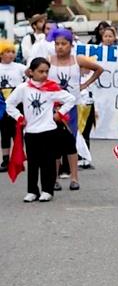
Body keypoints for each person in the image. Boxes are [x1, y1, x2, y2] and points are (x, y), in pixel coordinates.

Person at [5, 57, 76, 202]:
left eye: (46, 71)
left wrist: (60, 113)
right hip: (31, 132)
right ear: (31, 72)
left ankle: (47, 190)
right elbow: (9, 104)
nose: (44, 74)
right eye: (40, 71)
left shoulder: (51, 88)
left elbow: (70, 99)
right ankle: (32, 190)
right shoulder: (23, 88)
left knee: (48, 162)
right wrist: (19, 117)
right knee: (33, 162)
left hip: (49, 130)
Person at [47, 28, 103, 191]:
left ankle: (74, 178)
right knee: (54, 144)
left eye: (64, 44)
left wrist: (85, 84)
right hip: (53, 107)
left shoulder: (77, 60)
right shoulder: (49, 60)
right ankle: (54, 178)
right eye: (57, 44)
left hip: (71, 107)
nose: (60, 47)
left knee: (70, 142)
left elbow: (98, 69)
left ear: (71, 45)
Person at [0, 40, 26, 172]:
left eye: (12, 52)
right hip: (2, 104)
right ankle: (5, 160)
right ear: (1, 54)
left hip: (17, 103)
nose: (11, 54)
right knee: (4, 132)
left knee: (17, 132)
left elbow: (30, 78)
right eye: (7, 52)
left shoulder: (20, 67)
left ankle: (18, 159)